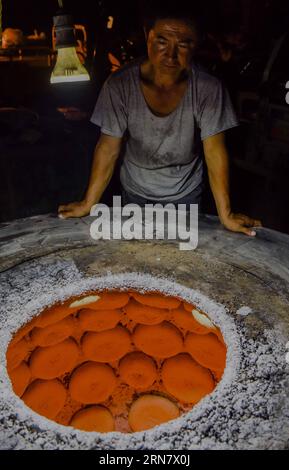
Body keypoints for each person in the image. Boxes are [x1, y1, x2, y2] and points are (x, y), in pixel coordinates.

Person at [58, 5, 261, 236]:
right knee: (138, 256)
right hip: (135, 191)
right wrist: (88, 203)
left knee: (183, 260)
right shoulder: (119, 85)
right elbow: (108, 148)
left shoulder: (208, 87)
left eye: (183, 44)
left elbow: (214, 151)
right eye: (162, 41)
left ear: (197, 44)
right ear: (148, 36)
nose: (171, 55)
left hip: (186, 193)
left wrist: (226, 214)